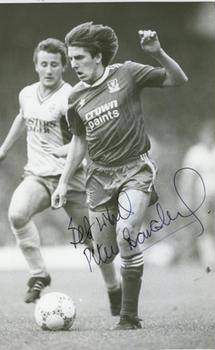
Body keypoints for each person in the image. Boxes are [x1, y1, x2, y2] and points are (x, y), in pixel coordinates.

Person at [51, 22, 188, 330]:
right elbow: (79, 141)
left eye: (79, 58)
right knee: (103, 252)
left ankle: (129, 316)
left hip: (134, 170)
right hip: (98, 177)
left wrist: (158, 53)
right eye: (71, 60)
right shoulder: (74, 98)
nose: (73, 66)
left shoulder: (127, 73)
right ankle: (114, 288)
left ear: (98, 56)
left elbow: (178, 79)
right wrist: (62, 182)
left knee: (127, 233)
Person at [0, 38, 120, 312]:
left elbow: (87, 137)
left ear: (63, 67)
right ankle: (39, 274)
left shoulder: (71, 97)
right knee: (17, 214)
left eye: (55, 65)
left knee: (95, 243)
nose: (48, 70)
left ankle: (114, 289)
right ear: (36, 66)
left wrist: (67, 153)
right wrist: (3, 150)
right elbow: (23, 116)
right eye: (43, 64)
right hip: (38, 176)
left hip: (72, 179)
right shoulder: (26, 93)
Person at [180, 120, 215, 266]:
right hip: (203, 195)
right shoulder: (195, 152)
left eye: (211, 135)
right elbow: (188, 177)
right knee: (206, 225)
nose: (208, 138)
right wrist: (185, 197)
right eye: (205, 135)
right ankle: (210, 258)